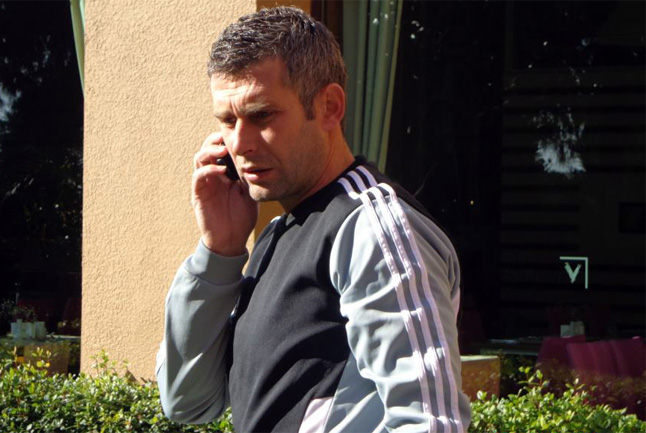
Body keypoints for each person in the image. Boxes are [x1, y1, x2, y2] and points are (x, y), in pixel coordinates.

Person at [156, 6, 471, 433]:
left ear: (329, 107)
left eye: (262, 115)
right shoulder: (276, 236)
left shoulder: (373, 226)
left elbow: (430, 422)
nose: (240, 144)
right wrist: (219, 252)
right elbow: (188, 402)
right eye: (228, 121)